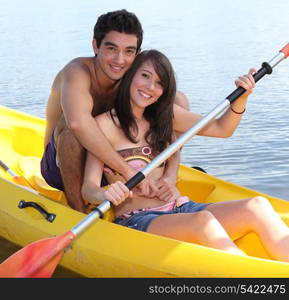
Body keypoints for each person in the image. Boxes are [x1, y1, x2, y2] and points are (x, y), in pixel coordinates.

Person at [81, 49, 289, 262]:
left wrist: (242, 98)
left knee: (257, 206)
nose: (150, 87)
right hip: (137, 219)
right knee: (202, 222)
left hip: (179, 207)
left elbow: (222, 128)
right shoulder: (103, 125)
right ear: (130, 75)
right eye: (145, 75)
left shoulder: (166, 115)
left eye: (160, 83)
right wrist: (106, 195)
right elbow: (88, 189)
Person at [41, 9, 189, 212]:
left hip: (109, 167)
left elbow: (171, 114)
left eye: (128, 51)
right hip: (63, 167)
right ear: (96, 45)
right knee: (72, 129)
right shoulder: (77, 72)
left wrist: (169, 175)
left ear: (136, 53)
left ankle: (160, 187)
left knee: (177, 101)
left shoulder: (130, 78)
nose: (120, 60)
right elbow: (77, 124)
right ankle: (77, 210)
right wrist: (128, 172)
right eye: (111, 49)